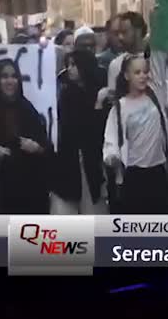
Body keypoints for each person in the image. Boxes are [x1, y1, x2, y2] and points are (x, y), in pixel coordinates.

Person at [103, 55, 168, 214]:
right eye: (137, 72)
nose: (143, 76)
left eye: (145, 72)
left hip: (157, 170)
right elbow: (111, 138)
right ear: (127, 76)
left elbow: (158, 64)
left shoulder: (155, 96)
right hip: (134, 174)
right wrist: (112, 156)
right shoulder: (120, 107)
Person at [0, 59, 52, 214]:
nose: (10, 81)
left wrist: (36, 148)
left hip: (30, 192)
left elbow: (46, 146)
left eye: (14, 76)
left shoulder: (27, 109)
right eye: (4, 76)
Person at [51, 50, 108, 214]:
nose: (70, 69)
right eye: (68, 65)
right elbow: (78, 128)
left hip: (93, 161)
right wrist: (97, 106)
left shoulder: (99, 90)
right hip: (72, 160)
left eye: (74, 65)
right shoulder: (68, 94)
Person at [107, 11, 148, 92]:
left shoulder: (157, 60)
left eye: (124, 32)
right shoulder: (115, 65)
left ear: (138, 31)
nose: (120, 37)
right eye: (118, 33)